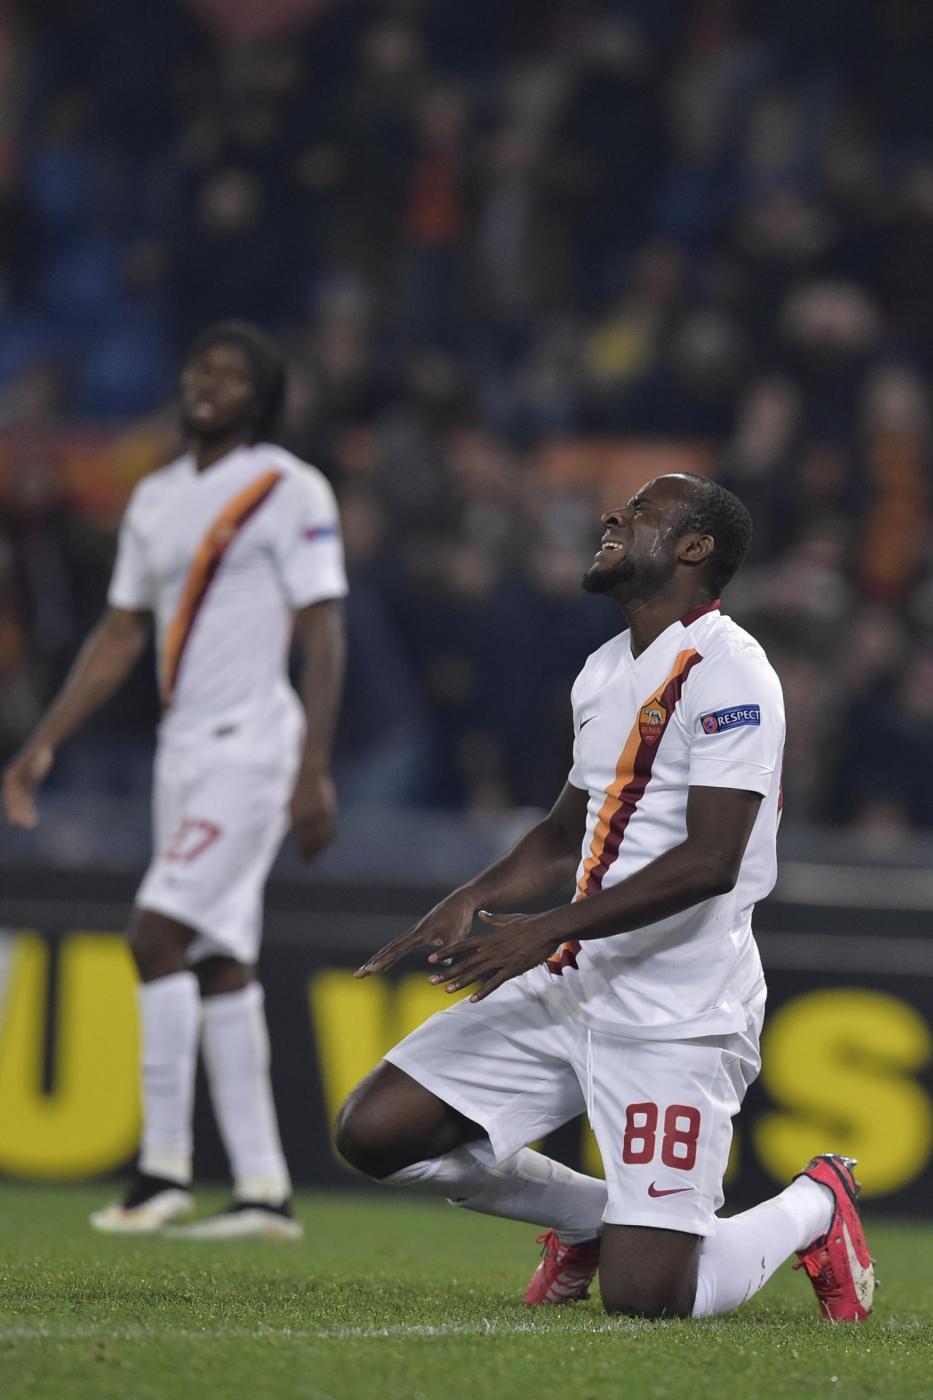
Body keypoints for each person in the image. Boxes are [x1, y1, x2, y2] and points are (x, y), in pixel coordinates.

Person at [336, 473, 874, 1321]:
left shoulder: (730, 671)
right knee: (375, 1133)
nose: (613, 516)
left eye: (643, 511)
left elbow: (711, 861)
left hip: (676, 1006)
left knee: (649, 1299)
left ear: (694, 547)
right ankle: (593, 1220)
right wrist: (470, 898)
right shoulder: (603, 669)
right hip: (574, 976)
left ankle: (815, 1202)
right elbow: (563, 834)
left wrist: (544, 929)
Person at [2, 321, 347, 1239]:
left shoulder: (287, 488)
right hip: (181, 753)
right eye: (200, 368)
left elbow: (324, 628)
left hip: (254, 746)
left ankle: (161, 1169)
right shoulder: (155, 497)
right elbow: (120, 633)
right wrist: (44, 742)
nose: (207, 383)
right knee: (218, 961)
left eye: (230, 375)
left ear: (259, 399)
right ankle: (265, 1190)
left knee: (155, 933)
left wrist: (314, 767)